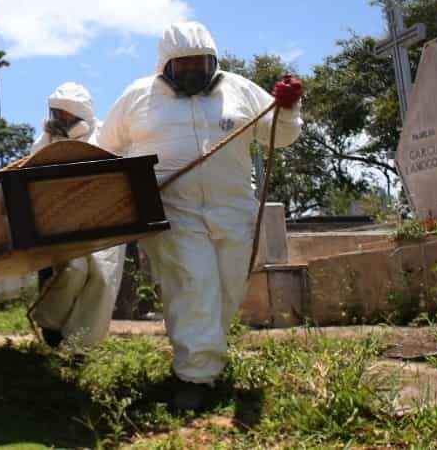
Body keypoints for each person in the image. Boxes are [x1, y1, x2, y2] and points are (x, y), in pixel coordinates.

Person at [98, 21, 303, 413]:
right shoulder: (138, 96)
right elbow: (106, 148)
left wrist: (289, 109)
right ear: (166, 65)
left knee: (226, 288)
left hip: (234, 209)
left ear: (214, 61)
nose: (193, 71)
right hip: (172, 210)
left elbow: (280, 135)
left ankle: (206, 357)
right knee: (194, 282)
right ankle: (194, 376)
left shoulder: (240, 90)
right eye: (183, 65)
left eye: (201, 64)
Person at [30, 82, 125, 350]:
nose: (59, 119)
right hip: (62, 219)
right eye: (56, 113)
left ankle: (80, 346)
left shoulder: (106, 134)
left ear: (80, 114)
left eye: (65, 114)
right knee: (73, 269)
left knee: (102, 278)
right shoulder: (47, 140)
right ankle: (51, 324)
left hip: (106, 217)